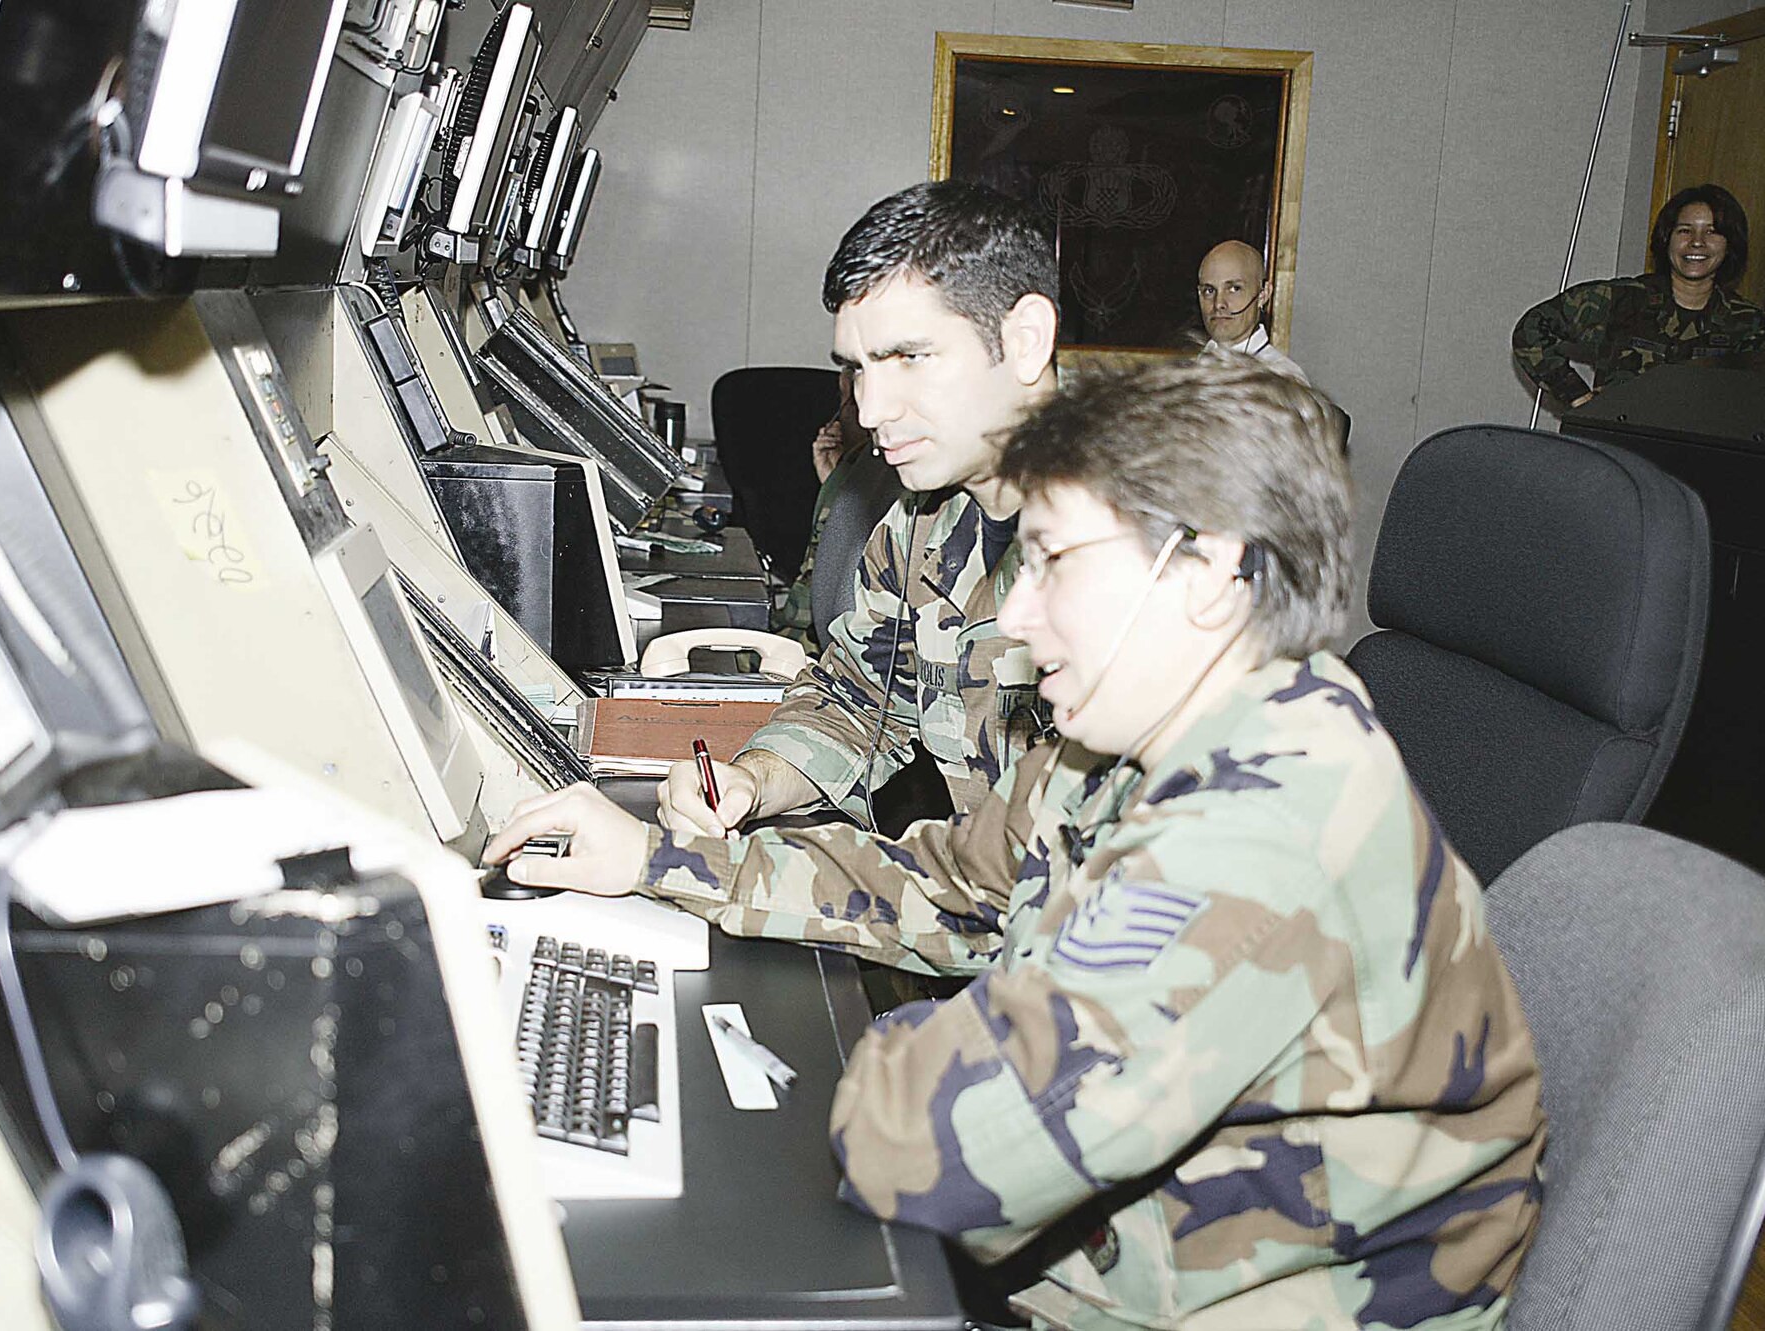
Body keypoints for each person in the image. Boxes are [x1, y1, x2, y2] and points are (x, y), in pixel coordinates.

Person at [486, 357, 1546, 1327]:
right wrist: (658, 860)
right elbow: (952, 882)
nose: (1020, 619)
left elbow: (921, 1145)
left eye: (1056, 565)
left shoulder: (1258, 834)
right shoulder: (1142, 739)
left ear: (1206, 570)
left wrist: (907, 1039)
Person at [659, 180, 1060, 836]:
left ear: (1025, 341)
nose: (870, 411)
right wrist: (752, 781)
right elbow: (857, 699)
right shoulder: (921, 522)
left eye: (909, 358)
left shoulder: (1149, 551)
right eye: (858, 370)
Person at [1513, 182, 1765, 409]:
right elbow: (1531, 329)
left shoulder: (1747, 324)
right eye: (1684, 230)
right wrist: (1577, 395)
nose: (1697, 242)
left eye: (1712, 231)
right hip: (1615, 444)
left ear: (1730, 245)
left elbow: (1760, 402)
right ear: (1667, 238)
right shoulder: (1623, 299)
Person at [770, 370, 880, 647]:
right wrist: (834, 483)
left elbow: (809, 620)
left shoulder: (880, 477)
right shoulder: (861, 473)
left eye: (845, 402)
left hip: (818, 652)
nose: (838, 417)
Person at [1195, 239, 1308, 383]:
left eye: (1234, 289)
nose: (1218, 304)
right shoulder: (1193, 367)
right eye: (1209, 291)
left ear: (1263, 295)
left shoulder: (1281, 378)